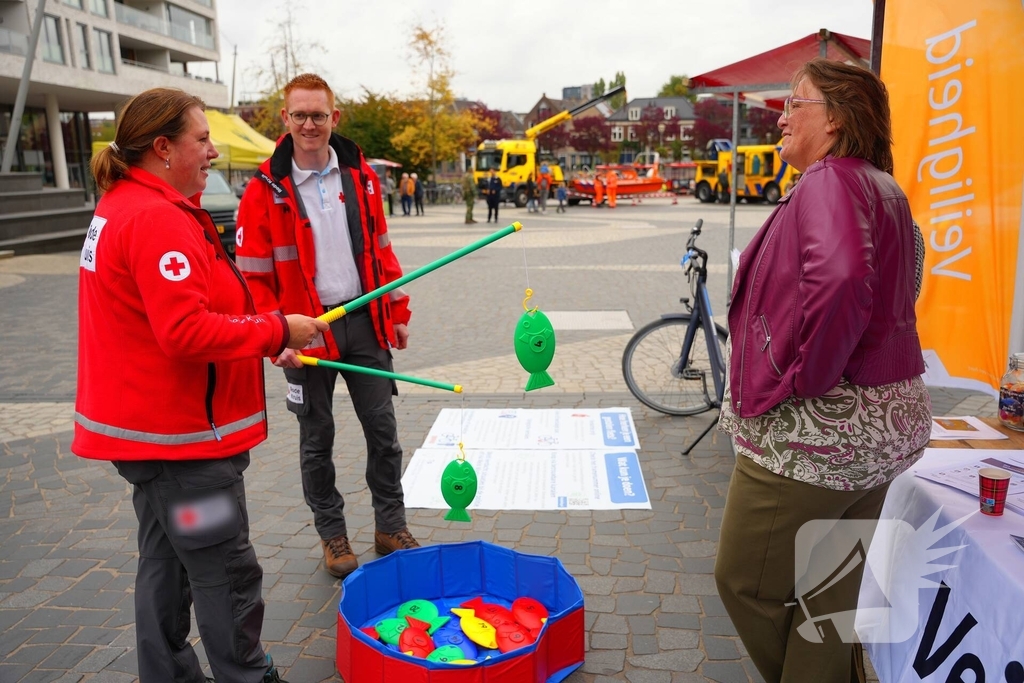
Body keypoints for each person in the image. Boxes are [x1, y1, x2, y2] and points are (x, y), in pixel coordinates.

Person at [74, 87, 328, 683]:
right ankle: (245, 675)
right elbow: (184, 331)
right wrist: (273, 328)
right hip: (181, 445)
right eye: (202, 139)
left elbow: (184, 310)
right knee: (224, 570)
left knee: (167, 564)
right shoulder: (155, 217)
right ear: (163, 148)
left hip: (154, 440)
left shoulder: (128, 202)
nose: (213, 151)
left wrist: (262, 336)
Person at [714, 58, 931, 683]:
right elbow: (905, 280)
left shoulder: (827, 181)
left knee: (744, 582)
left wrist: (809, 376)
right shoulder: (883, 185)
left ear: (834, 119)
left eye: (795, 102)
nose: (780, 116)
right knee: (829, 598)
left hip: (817, 440)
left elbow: (839, 282)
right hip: (885, 430)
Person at [236, 73, 420, 580]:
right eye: (300, 115)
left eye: (319, 114)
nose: (310, 124)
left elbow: (381, 249)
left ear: (334, 117)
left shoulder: (360, 176)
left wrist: (397, 312)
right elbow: (253, 278)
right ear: (286, 119)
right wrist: (275, 338)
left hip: (363, 321)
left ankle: (390, 525)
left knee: (383, 433)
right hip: (304, 334)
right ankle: (332, 534)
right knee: (316, 439)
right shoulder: (262, 190)